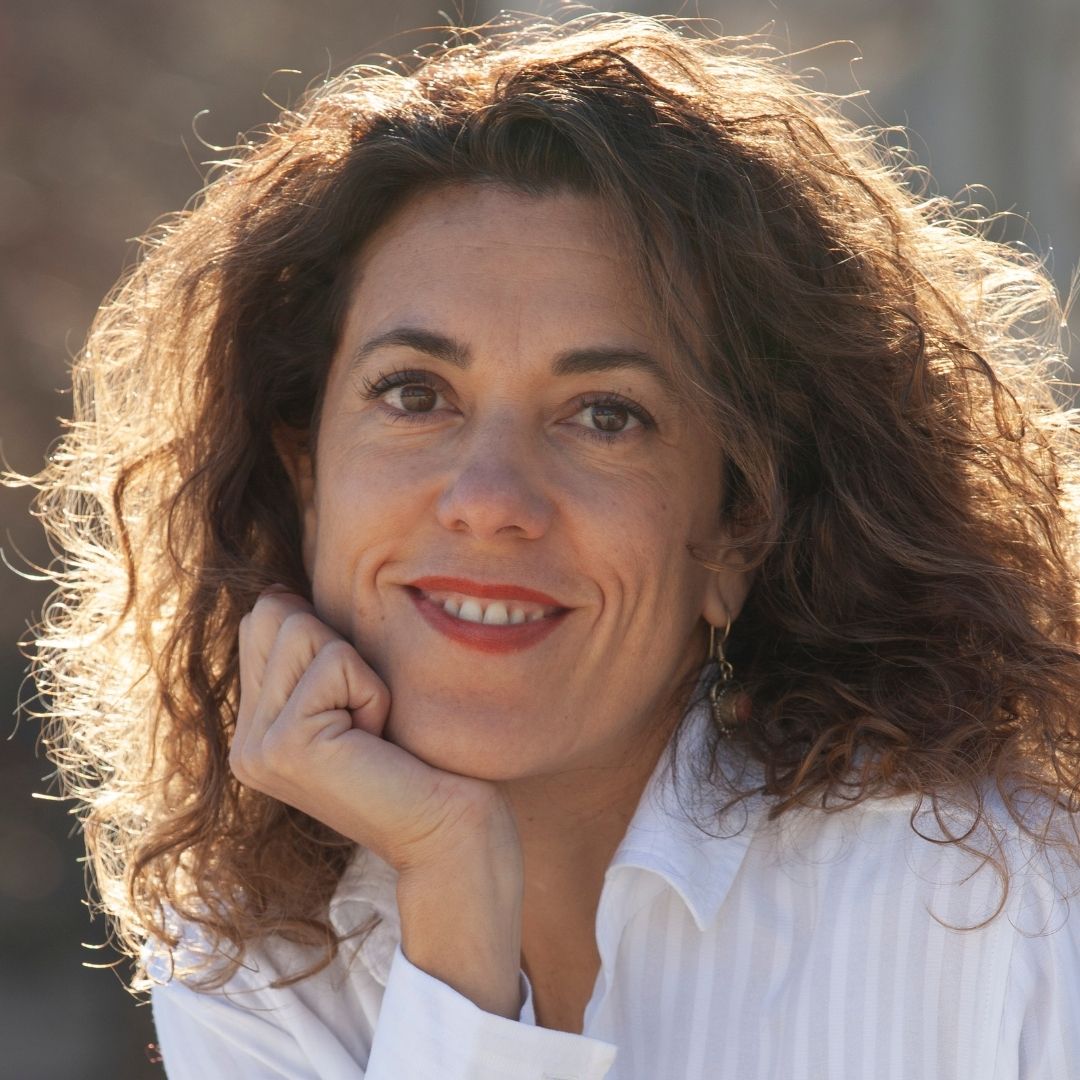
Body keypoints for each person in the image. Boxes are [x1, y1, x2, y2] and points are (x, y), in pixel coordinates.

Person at [18, 10, 1080, 1078]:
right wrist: (451, 881)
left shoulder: (1000, 914)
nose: (489, 501)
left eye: (605, 415)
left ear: (736, 528)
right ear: (306, 481)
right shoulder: (253, 959)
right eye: (415, 394)